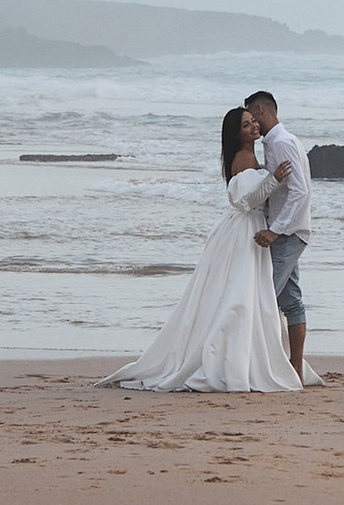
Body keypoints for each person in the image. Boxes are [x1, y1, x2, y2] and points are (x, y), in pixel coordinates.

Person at [106, 106, 317, 393]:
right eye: (246, 125)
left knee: (254, 296)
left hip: (254, 228)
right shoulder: (243, 158)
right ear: (236, 134)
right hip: (247, 229)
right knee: (245, 298)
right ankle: (235, 357)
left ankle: (265, 358)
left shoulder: (255, 153)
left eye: (253, 121)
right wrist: (274, 180)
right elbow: (242, 200)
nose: (253, 127)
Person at [244, 88, 312, 385]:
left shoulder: (282, 143)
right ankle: (293, 369)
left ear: (260, 110)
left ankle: (264, 367)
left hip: (288, 232)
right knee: (292, 301)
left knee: (264, 299)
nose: (252, 124)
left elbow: (299, 191)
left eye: (251, 116)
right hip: (288, 230)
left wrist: (275, 229)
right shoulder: (275, 144)